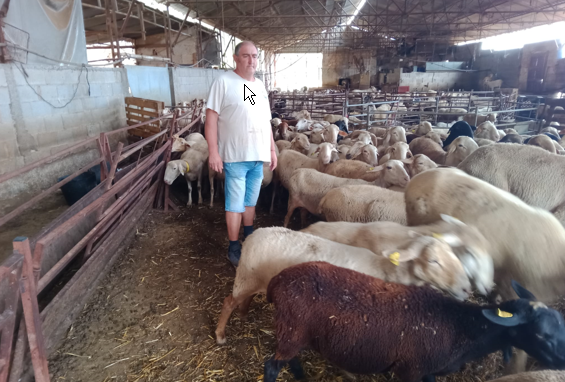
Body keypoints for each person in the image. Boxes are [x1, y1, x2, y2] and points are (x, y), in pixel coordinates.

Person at [205, 41, 277, 267]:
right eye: (246, 56)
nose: (251, 60)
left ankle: (249, 237)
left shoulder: (256, 86)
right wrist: (213, 151)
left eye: (254, 56)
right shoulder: (224, 82)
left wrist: (272, 149)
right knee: (235, 204)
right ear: (236, 59)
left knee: (250, 203)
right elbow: (211, 118)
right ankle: (233, 247)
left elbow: (262, 119)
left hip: (258, 156)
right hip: (235, 156)